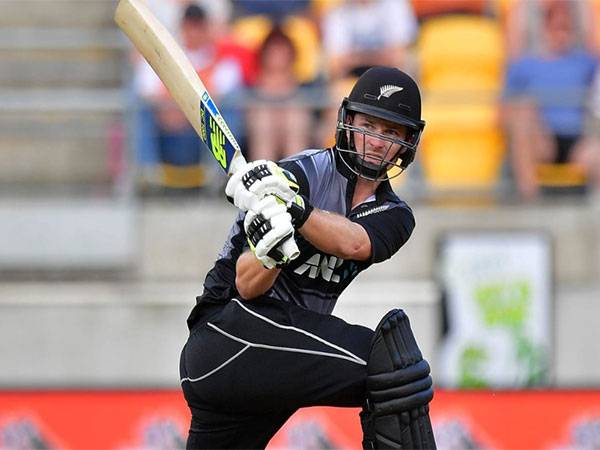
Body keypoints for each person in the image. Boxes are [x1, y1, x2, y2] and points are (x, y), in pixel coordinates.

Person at [179, 67, 436, 449]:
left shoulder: (394, 215)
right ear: (348, 122)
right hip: (227, 338)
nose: (377, 141)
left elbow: (353, 243)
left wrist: (296, 212)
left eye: (391, 133)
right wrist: (273, 251)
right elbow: (246, 285)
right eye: (369, 124)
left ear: (407, 144)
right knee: (393, 365)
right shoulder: (296, 175)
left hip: (282, 355)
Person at [502, 0, 598, 199]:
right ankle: (531, 204)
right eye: (556, 23)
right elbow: (503, 108)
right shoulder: (524, 65)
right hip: (542, 140)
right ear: (545, 25)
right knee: (521, 114)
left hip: (577, 143)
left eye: (566, 25)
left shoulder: (586, 62)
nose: (561, 30)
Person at [244, 26, 313, 161]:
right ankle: (264, 176)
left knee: (295, 121)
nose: (277, 55)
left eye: (281, 49)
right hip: (264, 136)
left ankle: (294, 175)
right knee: (263, 123)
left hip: (292, 136)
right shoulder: (254, 82)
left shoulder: (300, 82)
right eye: (273, 50)